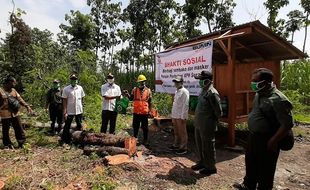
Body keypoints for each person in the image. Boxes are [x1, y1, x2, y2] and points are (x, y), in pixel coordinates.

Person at [233, 68, 294, 190]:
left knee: (266, 170)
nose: (252, 83)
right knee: (251, 163)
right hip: (254, 137)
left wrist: (273, 141)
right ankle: (248, 185)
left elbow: (287, 124)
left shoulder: (278, 99)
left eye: (255, 81)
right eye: (252, 80)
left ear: (265, 82)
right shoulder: (259, 93)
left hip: (268, 139)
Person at [191, 70, 222, 175]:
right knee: (200, 145)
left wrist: (210, 122)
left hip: (207, 125)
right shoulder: (203, 91)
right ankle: (202, 162)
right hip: (199, 124)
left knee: (208, 146)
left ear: (208, 81)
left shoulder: (212, 93)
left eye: (201, 80)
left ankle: (211, 167)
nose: (199, 82)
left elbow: (218, 112)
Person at [0, 76, 33, 148]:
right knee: (5, 130)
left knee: (19, 127)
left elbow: (20, 99)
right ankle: (7, 144)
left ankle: (22, 142)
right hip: (5, 114)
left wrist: (27, 106)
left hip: (15, 113)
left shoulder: (13, 90)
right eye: (13, 83)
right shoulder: (0, 91)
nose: (14, 84)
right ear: (9, 82)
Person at [124, 74, 152, 145]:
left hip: (144, 112)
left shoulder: (148, 91)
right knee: (135, 127)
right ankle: (135, 139)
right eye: (140, 81)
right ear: (138, 82)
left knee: (145, 127)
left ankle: (145, 140)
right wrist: (127, 94)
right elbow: (131, 98)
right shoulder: (134, 90)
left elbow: (150, 102)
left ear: (145, 82)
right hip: (136, 112)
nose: (142, 83)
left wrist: (150, 111)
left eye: (143, 81)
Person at [61, 74, 85, 144]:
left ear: (77, 80)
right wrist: (65, 112)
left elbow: (83, 97)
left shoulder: (80, 88)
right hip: (70, 110)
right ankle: (65, 140)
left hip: (79, 110)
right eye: (72, 79)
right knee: (67, 125)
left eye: (75, 79)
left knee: (79, 125)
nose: (73, 80)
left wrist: (82, 106)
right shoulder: (66, 89)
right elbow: (64, 101)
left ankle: (79, 140)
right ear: (70, 80)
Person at [169, 75, 190, 155]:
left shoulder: (185, 91)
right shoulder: (176, 91)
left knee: (182, 132)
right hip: (175, 115)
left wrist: (183, 117)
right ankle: (176, 145)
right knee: (176, 132)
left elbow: (185, 105)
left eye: (178, 82)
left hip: (180, 116)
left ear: (181, 82)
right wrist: (172, 115)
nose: (176, 83)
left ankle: (183, 148)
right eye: (175, 82)